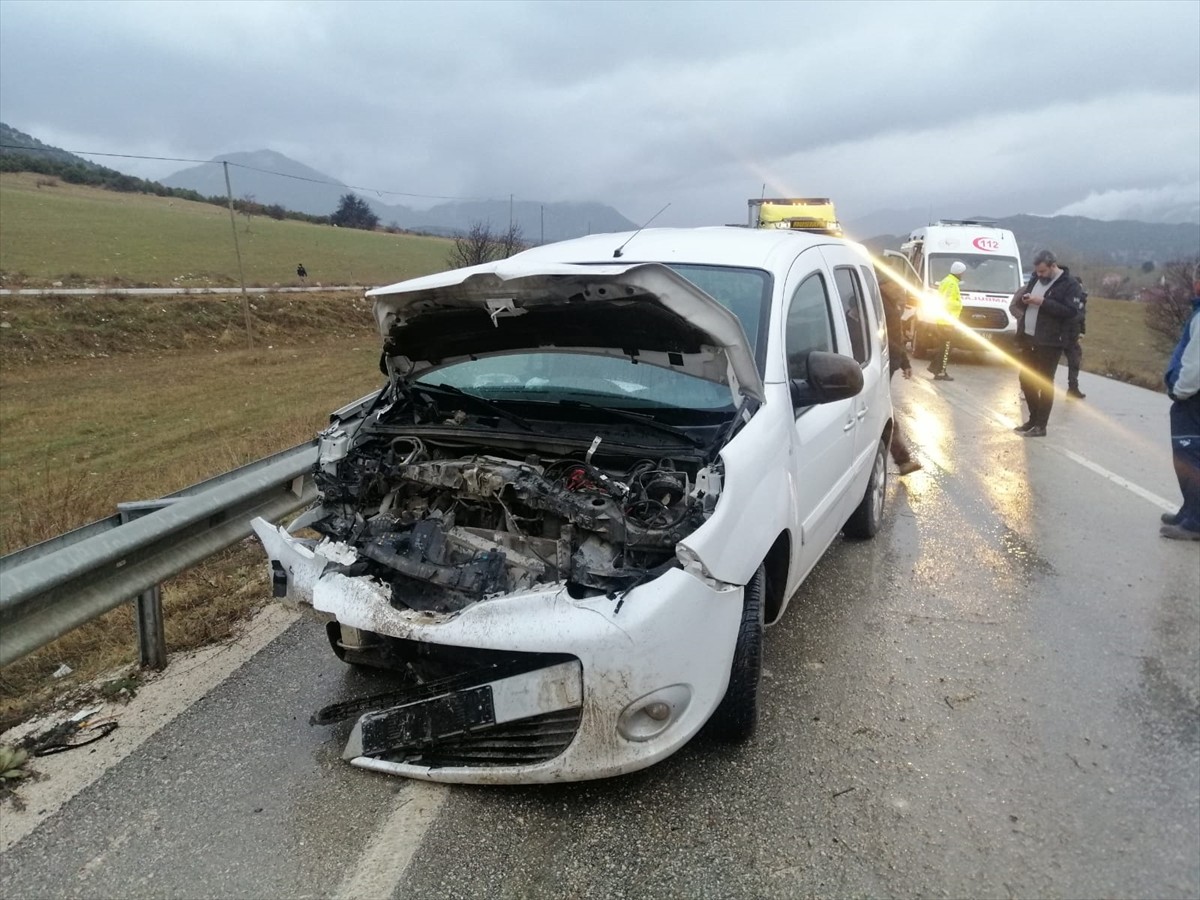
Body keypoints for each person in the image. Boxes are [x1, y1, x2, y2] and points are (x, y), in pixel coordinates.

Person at [1008, 250, 1084, 437]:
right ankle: (1033, 419)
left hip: (1051, 341)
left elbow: (1071, 311)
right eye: (1037, 272)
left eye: (1042, 272)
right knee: (1026, 379)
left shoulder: (1069, 284)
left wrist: (1043, 301)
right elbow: (1028, 297)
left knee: (1044, 382)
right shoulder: (1035, 279)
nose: (1039, 275)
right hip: (1029, 337)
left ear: (1052, 266)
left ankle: (1041, 425)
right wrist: (1026, 301)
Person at [1160, 271, 1200, 540]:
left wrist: (1180, 390)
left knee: (1189, 455)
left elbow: (1195, 363)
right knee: (1187, 456)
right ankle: (1189, 510)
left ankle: (1194, 522)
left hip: (1192, 398)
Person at [879, 271, 923, 475]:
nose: (902, 292)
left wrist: (904, 361)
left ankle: (903, 459)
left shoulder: (888, 304)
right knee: (884, 411)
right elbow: (891, 339)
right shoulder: (883, 306)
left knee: (883, 410)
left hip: (887, 361)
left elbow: (896, 338)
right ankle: (902, 459)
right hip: (880, 363)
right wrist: (901, 358)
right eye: (899, 287)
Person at [928, 260, 964, 381]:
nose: (963, 275)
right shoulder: (952, 284)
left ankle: (934, 367)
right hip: (947, 320)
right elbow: (947, 301)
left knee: (944, 346)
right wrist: (959, 304)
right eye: (962, 272)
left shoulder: (947, 281)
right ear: (959, 272)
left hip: (944, 319)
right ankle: (940, 372)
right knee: (947, 347)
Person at [1064, 281, 1088, 399]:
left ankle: (1073, 387)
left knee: (1075, 361)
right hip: (1060, 334)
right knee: (1048, 363)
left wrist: (1082, 332)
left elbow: (1082, 318)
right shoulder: (1065, 297)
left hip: (1073, 336)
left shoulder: (1082, 300)